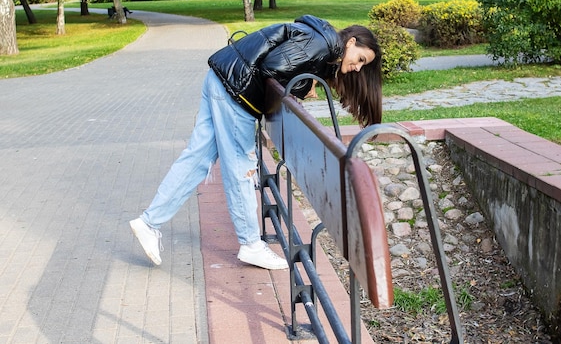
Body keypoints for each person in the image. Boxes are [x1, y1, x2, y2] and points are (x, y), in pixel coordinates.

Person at [130, 15, 383, 269]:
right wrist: (302, 86)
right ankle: (251, 244)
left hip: (222, 80)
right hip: (235, 93)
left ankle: (149, 222)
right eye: (360, 59)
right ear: (350, 42)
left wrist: (306, 81)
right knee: (241, 167)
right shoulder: (323, 44)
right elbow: (272, 67)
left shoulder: (321, 41)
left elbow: (279, 64)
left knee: (196, 159)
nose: (358, 67)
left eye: (364, 65)